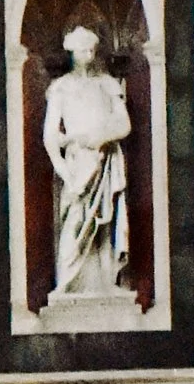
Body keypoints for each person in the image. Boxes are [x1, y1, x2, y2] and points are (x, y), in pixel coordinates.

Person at [43, 25, 132, 300]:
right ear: (72, 52)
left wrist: (101, 137)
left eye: (92, 50)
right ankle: (68, 283)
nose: (88, 55)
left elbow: (124, 124)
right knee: (76, 220)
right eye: (82, 50)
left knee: (105, 223)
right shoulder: (61, 88)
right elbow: (50, 136)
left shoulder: (107, 84)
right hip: (77, 164)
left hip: (104, 160)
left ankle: (107, 280)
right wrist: (65, 171)